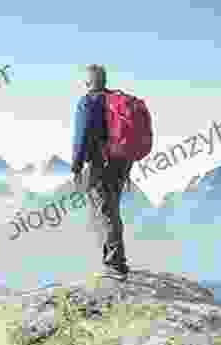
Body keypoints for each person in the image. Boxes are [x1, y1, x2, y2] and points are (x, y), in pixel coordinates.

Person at [71, 64, 135, 278]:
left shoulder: (88, 102)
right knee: (112, 210)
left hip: (101, 164)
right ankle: (116, 259)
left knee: (105, 212)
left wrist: (77, 167)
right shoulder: (116, 101)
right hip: (121, 163)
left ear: (89, 82)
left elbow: (81, 137)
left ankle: (114, 264)